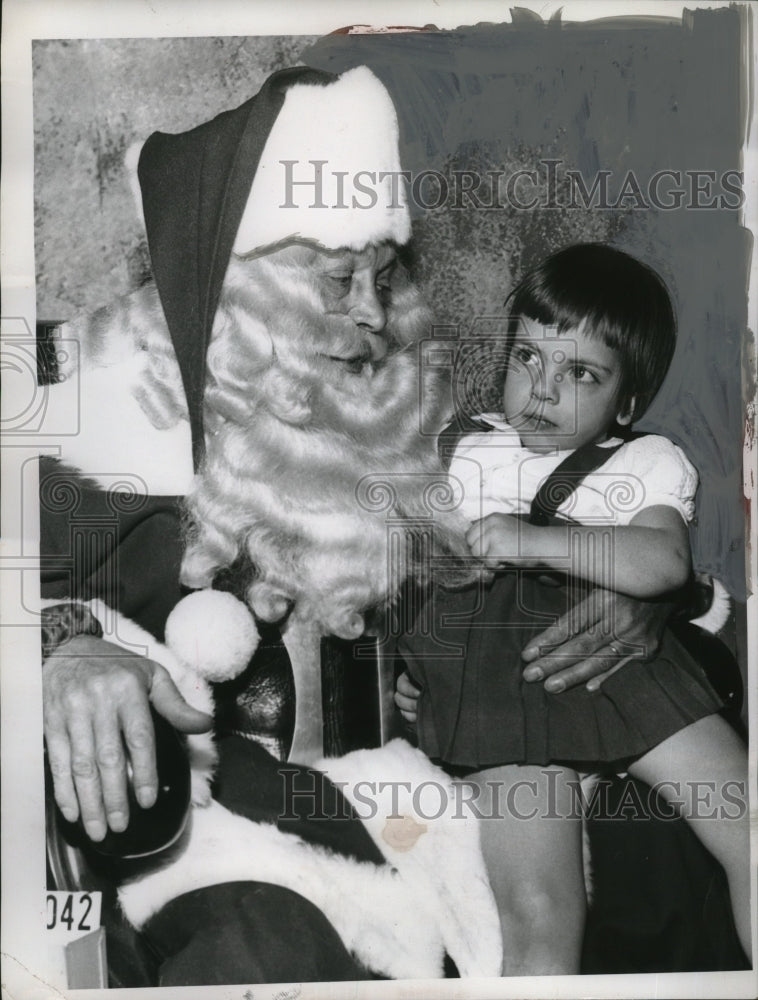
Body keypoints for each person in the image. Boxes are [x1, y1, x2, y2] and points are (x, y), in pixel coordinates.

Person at [39, 63, 689, 983]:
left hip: (420, 789)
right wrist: (65, 649)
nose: (374, 320)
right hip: (215, 826)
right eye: (339, 282)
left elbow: (566, 512)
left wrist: (637, 603)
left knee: (661, 866)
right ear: (237, 288)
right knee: (263, 949)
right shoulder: (101, 427)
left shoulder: (408, 416)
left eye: (382, 279)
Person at [395, 243, 750, 975]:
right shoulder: (463, 451)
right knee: (542, 910)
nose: (543, 388)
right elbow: (417, 577)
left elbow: (662, 562)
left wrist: (535, 541)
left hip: (621, 669)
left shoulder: (644, 461)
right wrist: (416, 668)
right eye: (528, 357)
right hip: (504, 676)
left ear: (625, 401)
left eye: (580, 372)